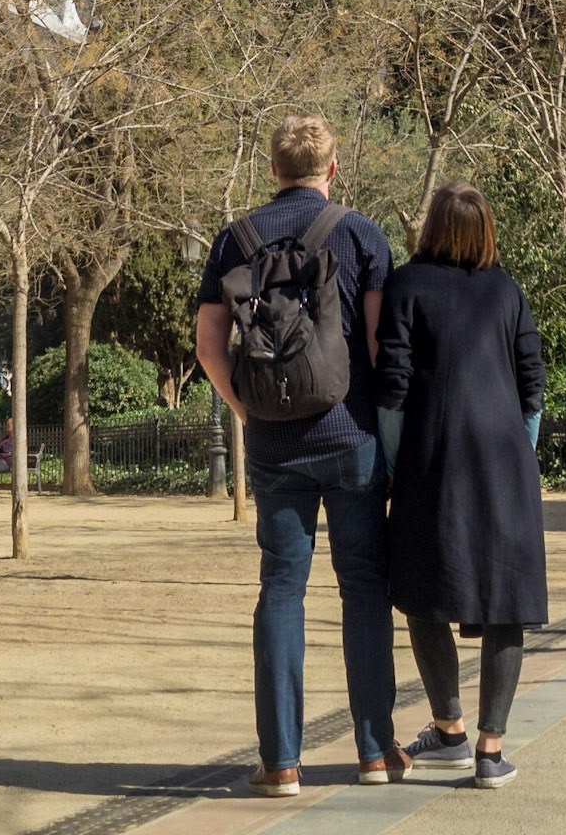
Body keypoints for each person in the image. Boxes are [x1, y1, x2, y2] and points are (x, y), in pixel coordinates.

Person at [196, 113, 402, 797]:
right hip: (351, 439)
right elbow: (376, 347)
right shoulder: (361, 233)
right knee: (364, 587)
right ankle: (375, 752)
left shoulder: (236, 238)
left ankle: (281, 760)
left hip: (274, 447)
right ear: (332, 168)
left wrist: (246, 409)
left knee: (281, 589)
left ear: (273, 170)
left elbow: (207, 343)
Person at [375, 182, 547, 792]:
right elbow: (533, 387)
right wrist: (514, 456)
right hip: (505, 466)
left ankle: (447, 726)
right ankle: (489, 750)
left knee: (423, 594)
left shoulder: (405, 284)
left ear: (431, 227)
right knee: (508, 604)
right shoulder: (507, 291)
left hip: (430, 464)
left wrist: (398, 464)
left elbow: (391, 389)